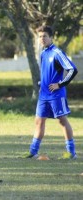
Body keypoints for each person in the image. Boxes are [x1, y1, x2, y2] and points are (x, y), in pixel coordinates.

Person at [24, 25, 78, 159]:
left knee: (62, 121)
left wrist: (60, 84)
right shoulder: (43, 53)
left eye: (45, 36)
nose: (42, 39)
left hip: (56, 95)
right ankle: (33, 151)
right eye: (40, 37)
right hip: (44, 95)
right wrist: (41, 83)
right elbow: (47, 73)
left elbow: (72, 70)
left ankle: (71, 153)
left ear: (51, 37)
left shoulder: (57, 53)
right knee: (39, 121)